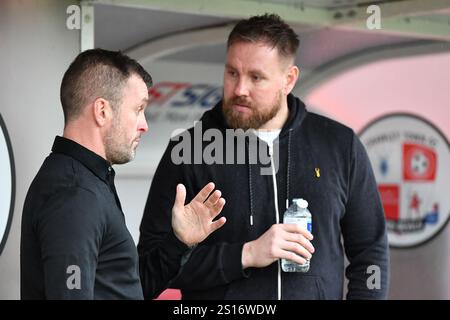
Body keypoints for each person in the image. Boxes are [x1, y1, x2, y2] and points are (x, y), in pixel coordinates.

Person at [138, 14, 389, 300]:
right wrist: (246, 254)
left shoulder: (339, 144)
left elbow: (371, 251)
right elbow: (149, 271)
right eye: (232, 73)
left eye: (256, 77)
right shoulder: (190, 150)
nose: (240, 89)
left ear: (289, 80)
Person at [20, 49, 226, 299]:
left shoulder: (89, 180)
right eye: (138, 109)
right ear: (102, 111)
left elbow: (129, 288)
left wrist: (179, 242)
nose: (144, 124)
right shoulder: (75, 194)